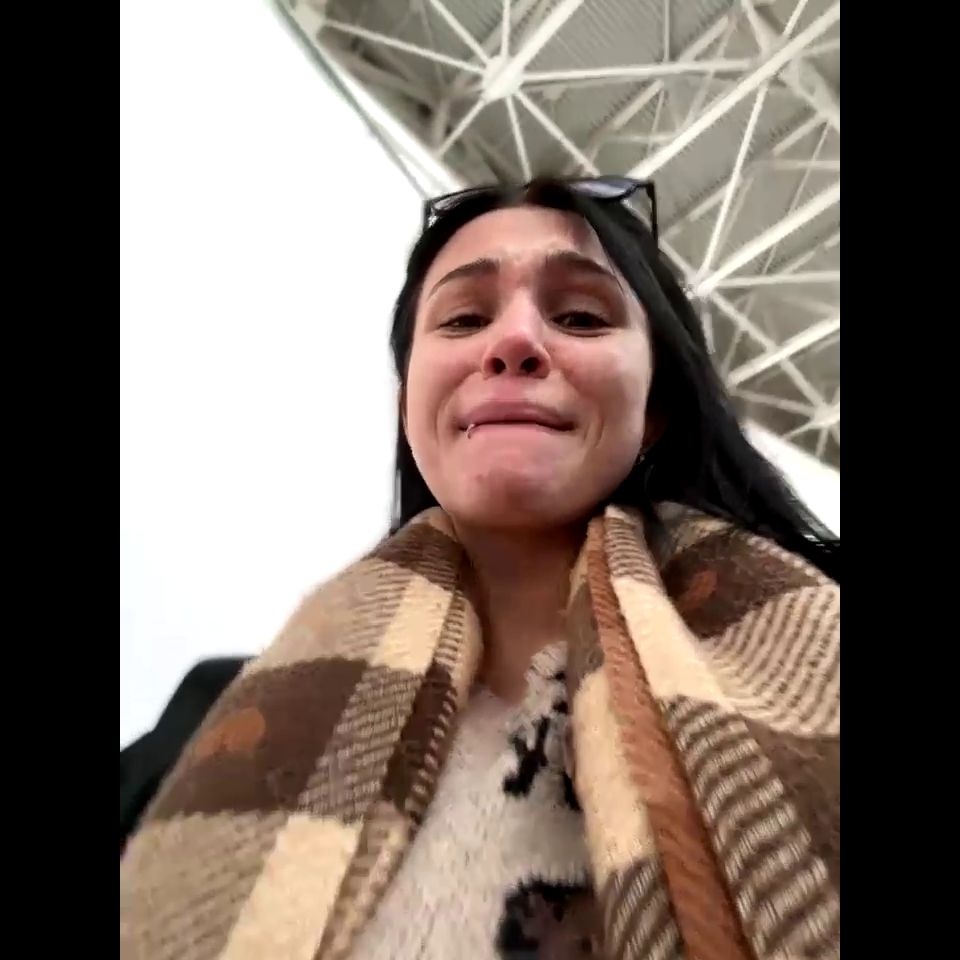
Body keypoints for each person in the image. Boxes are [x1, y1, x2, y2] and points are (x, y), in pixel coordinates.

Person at [120, 176, 840, 960]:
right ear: (410, 400)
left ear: (655, 407)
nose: (515, 340)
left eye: (580, 316)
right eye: (464, 318)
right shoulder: (217, 724)